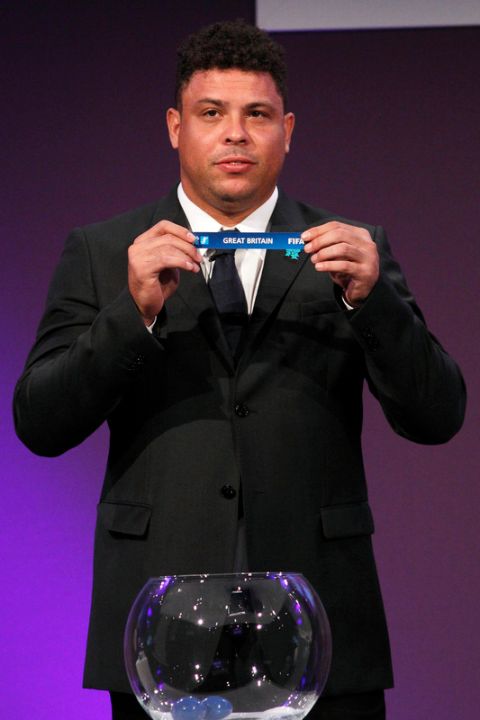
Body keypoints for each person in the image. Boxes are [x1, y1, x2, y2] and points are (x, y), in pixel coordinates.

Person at [14, 20, 465, 720]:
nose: (235, 134)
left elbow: (438, 416)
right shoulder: (105, 252)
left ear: (287, 129)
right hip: (159, 638)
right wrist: (130, 314)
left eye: (256, 114)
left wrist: (375, 304)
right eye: (211, 113)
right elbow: (40, 422)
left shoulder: (354, 252)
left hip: (321, 633)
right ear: (174, 127)